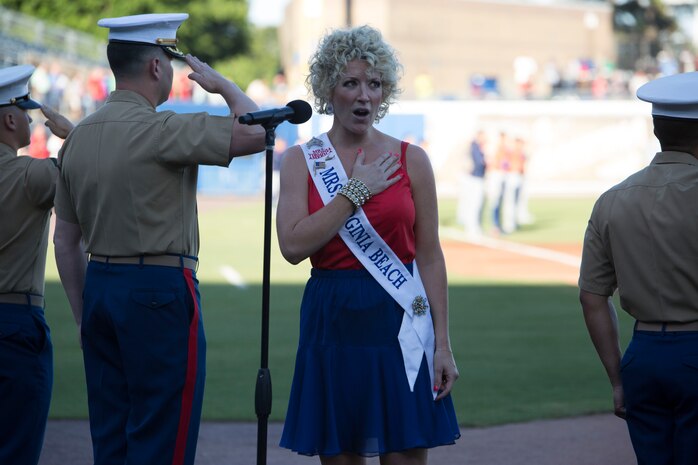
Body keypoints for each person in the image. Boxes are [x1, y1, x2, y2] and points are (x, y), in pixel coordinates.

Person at [52, 13, 265, 465]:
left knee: (111, 437)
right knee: (163, 437)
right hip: (159, 292)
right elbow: (257, 130)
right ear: (156, 67)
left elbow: (65, 242)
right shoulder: (162, 127)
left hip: (100, 294)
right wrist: (223, 84)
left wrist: (82, 314)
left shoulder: (77, 139)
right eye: (168, 61)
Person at [276, 25, 460, 464]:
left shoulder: (411, 160)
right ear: (328, 89)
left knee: (404, 456)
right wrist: (353, 193)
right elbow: (292, 246)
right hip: (332, 317)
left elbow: (430, 255)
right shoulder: (301, 161)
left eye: (374, 84)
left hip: (400, 319)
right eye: (351, 83)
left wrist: (443, 343)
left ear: (385, 92)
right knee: (341, 455)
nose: (364, 96)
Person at [579, 71, 698, 465]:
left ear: (656, 127)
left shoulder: (613, 199)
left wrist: (618, 378)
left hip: (643, 356)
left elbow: (592, 297)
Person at [0, 64, 73, 465]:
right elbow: (92, 167)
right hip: (13, 325)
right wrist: (72, 134)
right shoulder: (29, 174)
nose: (30, 119)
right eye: (25, 112)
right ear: (10, 119)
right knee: (16, 449)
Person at [457, 130, 487, 237]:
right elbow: (478, 162)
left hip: (476, 178)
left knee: (476, 203)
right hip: (474, 178)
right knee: (474, 203)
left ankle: (474, 225)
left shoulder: (477, 146)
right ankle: (472, 226)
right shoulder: (474, 146)